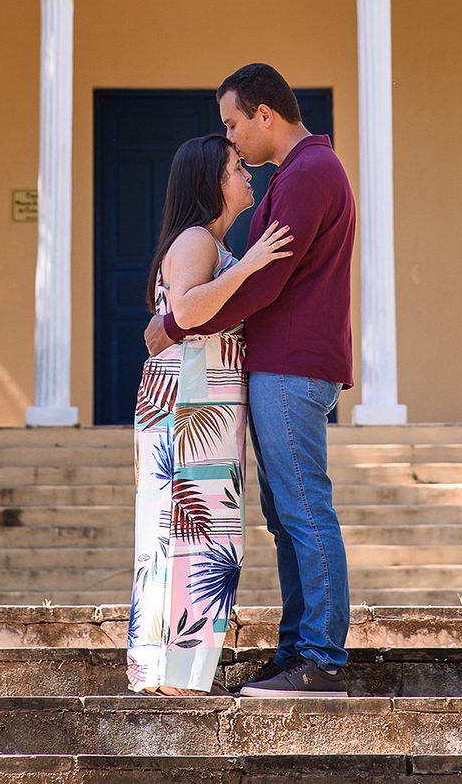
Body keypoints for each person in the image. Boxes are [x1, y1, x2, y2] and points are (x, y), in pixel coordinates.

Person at [144, 62, 356, 697]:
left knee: (302, 509)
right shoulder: (301, 174)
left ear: (266, 115)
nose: (230, 139)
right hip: (282, 363)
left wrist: (175, 327)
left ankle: (320, 657)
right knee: (284, 513)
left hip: (293, 366)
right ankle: (298, 648)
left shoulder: (310, 172)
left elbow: (268, 278)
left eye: (233, 124)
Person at [128, 132, 293, 696]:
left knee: (205, 539)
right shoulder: (197, 238)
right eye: (236, 167)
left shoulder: (209, 241)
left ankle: (177, 674)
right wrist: (248, 267)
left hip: (207, 405)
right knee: (190, 538)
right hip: (187, 405)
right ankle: (174, 677)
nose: (248, 174)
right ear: (212, 182)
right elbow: (187, 310)